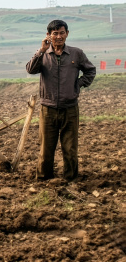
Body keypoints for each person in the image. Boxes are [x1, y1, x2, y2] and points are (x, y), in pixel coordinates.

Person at [26, 20, 96, 182]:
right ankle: (44, 178)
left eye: (62, 33)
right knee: (46, 147)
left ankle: (71, 179)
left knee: (70, 147)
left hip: (70, 108)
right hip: (47, 109)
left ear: (67, 34)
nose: (59, 36)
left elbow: (90, 70)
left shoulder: (76, 53)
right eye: (55, 33)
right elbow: (30, 69)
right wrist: (41, 50)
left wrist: (77, 85)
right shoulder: (43, 54)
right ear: (48, 35)